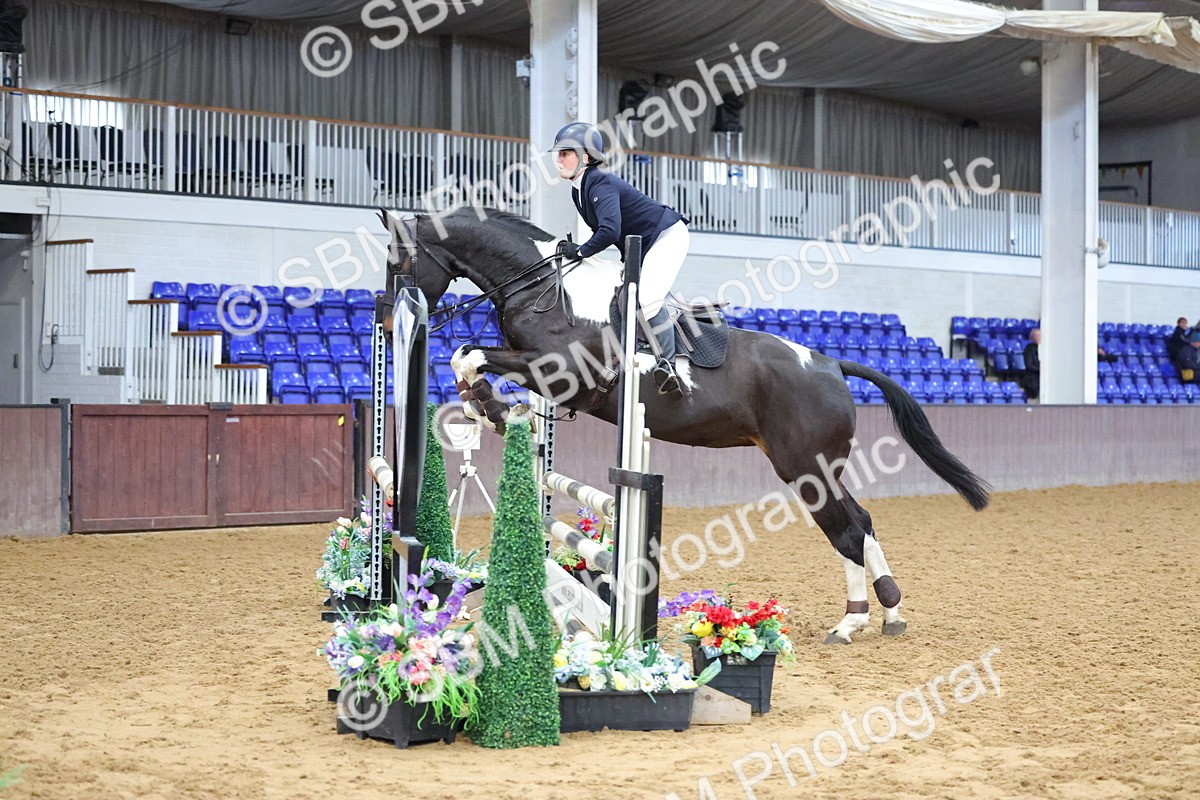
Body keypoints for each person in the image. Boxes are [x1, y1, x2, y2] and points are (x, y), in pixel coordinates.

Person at [549, 122, 690, 395]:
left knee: (645, 299)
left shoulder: (598, 180)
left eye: (566, 152)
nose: (559, 159)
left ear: (586, 157)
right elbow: (611, 232)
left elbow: (609, 230)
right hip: (639, 246)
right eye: (558, 153)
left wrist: (580, 251)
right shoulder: (578, 189)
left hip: (667, 236)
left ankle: (668, 365)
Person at [1021, 327, 1040, 400]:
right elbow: (1029, 365)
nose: (1039, 337)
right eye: (1037, 335)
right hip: (1032, 381)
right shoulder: (1029, 349)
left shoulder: (1043, 348)